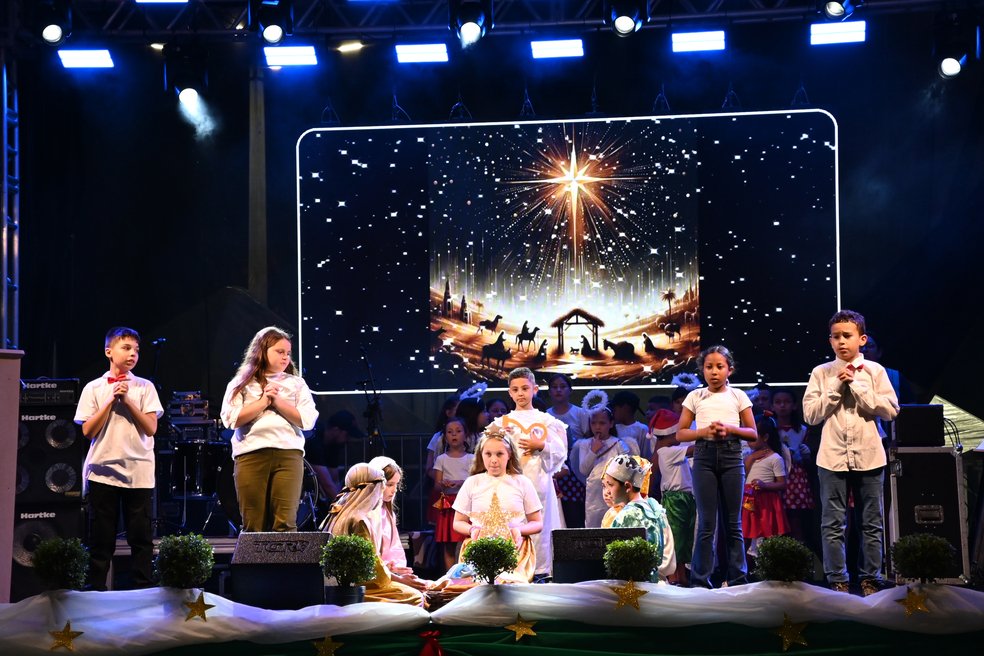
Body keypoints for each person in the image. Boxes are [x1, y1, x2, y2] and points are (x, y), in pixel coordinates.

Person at [803, 310, 899, 596]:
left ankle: (870, 579)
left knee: (871, 523)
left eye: (847, 335)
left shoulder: (874, 371)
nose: (841, 341)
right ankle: (838, 581)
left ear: (862, 339)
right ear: (830, 341)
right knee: (832, 524)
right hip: (832, 457)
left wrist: (855, 384)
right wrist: (836, 385)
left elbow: (891, 410)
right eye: (836, 336)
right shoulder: (821, 373)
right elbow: (810, 415)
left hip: (869, 455)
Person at [75, 327, 163, 590]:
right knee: (101, 539)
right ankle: (96, 591)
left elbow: (151, 428)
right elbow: (88, 431)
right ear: (109, 352)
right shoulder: (94, 387)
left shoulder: (145, 387)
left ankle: (142, 590)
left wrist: (127, 400)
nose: (133, 354)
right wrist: (111, 401)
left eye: (136, 349)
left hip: (138, 472)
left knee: (141, 538)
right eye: (126, 348)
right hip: (103, 471)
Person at [220, 326, 319, 532]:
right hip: (251, 455)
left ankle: (285, 555)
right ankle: (254, 556)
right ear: (262, 351)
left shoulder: (297, 384)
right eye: (280, 351)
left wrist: (278, 401)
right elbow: (232, 419)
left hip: (288, 455)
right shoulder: (241, 383)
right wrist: (264, 401)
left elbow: (307, 420)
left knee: (285, 523)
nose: (285, 357)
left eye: (288, 353)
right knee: (253, 524)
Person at [676, 345, 758, 589]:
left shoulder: (738, 396)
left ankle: (738, 579)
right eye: (708, 367)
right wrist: (704, 432)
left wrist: (730, 429)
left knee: (733, 523)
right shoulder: (695, 396)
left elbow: (752, 432)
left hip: (732, 457)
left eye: (719, 367)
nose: (714, 372)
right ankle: (700, 581)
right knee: (706, 523)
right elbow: (681, 433)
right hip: (704, 457)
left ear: (729, 370)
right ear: (702, 370)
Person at [438, 427, 543, 587]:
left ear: (509, 455)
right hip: (479, 551)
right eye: (488, 454)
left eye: (499, 454)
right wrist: (472, 530)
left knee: (509, 587)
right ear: (481, 455)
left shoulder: (522, 482)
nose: (494, 460)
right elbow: (458, 522)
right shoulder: (472, 482)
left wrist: (518, 530)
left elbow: (537, 522)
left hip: (514, 551)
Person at [488, 367, 567, 579]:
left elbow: (560, 453)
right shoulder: (500, 424)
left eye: (525, 388)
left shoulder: (547, 421)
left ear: (535, 389)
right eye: (515, 389)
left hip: (539, 484)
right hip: (509, 485)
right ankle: (510, 573)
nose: (520, 393)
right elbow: (487, 453)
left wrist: (541, 446)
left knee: (541, 530)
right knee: (511, 526)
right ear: (510, 392)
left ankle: (541, 573)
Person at [325, 463, 425, 604]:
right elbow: (372, 566)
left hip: (341, 585)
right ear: (371, 489)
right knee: (415, 597)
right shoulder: (359, 520)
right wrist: (400, 580)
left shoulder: (337, 512)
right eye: (382, 488)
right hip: (360, 585)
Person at [602, 454, 677, 582]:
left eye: (610, 485)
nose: (607, 491)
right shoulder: (653, 510)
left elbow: (616, 561)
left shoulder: (628, 515)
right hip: (653, 581)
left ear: (627, 487)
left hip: (634, 585)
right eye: (604, 485)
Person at [575, 395, 637, 528]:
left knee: (615, 522)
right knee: (594, 524)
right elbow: (583, 470)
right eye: (593, 423)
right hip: (594, 492)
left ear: (611, 423)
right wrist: (593, 451)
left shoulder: (619, 444)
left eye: (602, 423)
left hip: (615, 492)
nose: (597, 427)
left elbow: (627, 471)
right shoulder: (585, 444)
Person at [650, 409, 695, 585]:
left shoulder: (672, 450)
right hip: (675, 499)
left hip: (685, 497)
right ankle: (674, 576)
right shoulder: (666, 451)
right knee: (677, 538)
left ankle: (681, 574)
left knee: (685, 538)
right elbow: (694, 450)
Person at [771, 388, 816, 550]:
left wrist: (806, 455)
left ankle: (798, 554)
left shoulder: (802, 430)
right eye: (778, 402)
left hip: (796, 477)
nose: (782, 406)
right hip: (775, 475)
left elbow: (809, 461)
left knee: (796, 519)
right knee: (776, 517)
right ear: (773, 406)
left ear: (795, 405)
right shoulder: (770, 428)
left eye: (787, 402)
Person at [546, 373, 590, 529]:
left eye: (563, 387)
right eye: (554, 387)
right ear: (549, 391)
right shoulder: (546, 415)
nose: (558, 390)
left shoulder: (580, 413)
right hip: (554, 465)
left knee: (575, 512)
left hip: (576, 466)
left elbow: (587, 438)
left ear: (570, 390)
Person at [742, 416, 789, 559]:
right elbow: (743, 476)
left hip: (765, 501)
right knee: (748, 534)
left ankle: (765, 565)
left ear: (765, 437)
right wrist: (751, 459)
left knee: (764, 534)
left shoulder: (775, 458)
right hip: (749, 501)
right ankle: (748, 567)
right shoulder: (748, 456)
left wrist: (764, 485)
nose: (749, 440)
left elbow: (782, 483)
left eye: (753, 437)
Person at [432, 418, 475, 569]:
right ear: (445, 436)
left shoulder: (471, 458)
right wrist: (443, 484)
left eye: (458, 431)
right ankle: (450, 575)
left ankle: (467, 573)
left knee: (466, 539)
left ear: (466, 435)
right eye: (450, 432)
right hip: (448, 504)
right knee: (448, 543)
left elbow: (475, 482)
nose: (454, 434)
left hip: (466, 504)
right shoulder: (441, 459)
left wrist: (462, 483)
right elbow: (436, 485)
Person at [367, 456, 414, 576]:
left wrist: (397, 567)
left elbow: (395, 549)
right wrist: (386, 568)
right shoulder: (367, 515)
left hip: (390, 573)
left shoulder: (387, 513)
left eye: (396, 485)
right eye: (389, 484)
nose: (394, 490)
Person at [307, 410, 362, 506]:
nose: (348, 440)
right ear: (336, 430)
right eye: (347, 435)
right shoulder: (313, 441)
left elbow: (334, 481)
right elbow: (327, 484)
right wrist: (345, 509)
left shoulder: (334, 445)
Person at [611, 390, 650, 458]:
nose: (613, 412)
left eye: (615, 410)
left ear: (625, 408)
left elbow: (646, 453)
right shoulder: (613, 427)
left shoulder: (642, 429)